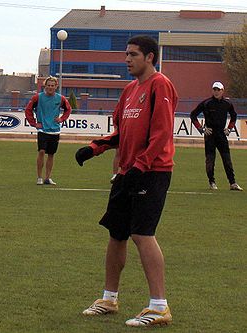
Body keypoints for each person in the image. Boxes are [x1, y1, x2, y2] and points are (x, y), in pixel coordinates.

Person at [75, 35, 178, 327]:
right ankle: (109, 298)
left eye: (133, 54)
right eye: (126, 54)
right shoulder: (130, 90)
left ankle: (159, 306)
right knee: (116, 233)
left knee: (142, 233)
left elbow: (161, 134)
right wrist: (95, 148)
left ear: (150, 57)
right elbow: (121, 131)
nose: (127, 59)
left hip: (152, 171)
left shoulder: (160, 85)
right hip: (126, 172)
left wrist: (141, 165)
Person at [190, 81, 243, 191]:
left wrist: (229, 128)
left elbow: (234, 116)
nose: (216, 91)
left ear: (222, 91)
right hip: (210, 135)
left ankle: (232, 183)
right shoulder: (206, 103)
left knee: (227, 159)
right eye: (214, 89)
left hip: (221, 135)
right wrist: (201, 129)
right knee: (210, 160)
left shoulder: (227, 103)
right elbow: (193, 115)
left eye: (218, 89)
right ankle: (212, 182)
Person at [25, 76, 71, 185]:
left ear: (56, 86)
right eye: (48, 85)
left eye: (52, 86)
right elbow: (28, 110)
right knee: (41, 151)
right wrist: (34, 123)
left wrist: (62, 119)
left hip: (55, 131)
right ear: (45, 86)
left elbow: (68, 109)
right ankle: (39, 177)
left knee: (51, 154)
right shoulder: (38, 97)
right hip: (42, 130)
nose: (50, 87)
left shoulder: (61, 99)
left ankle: (48, 178)